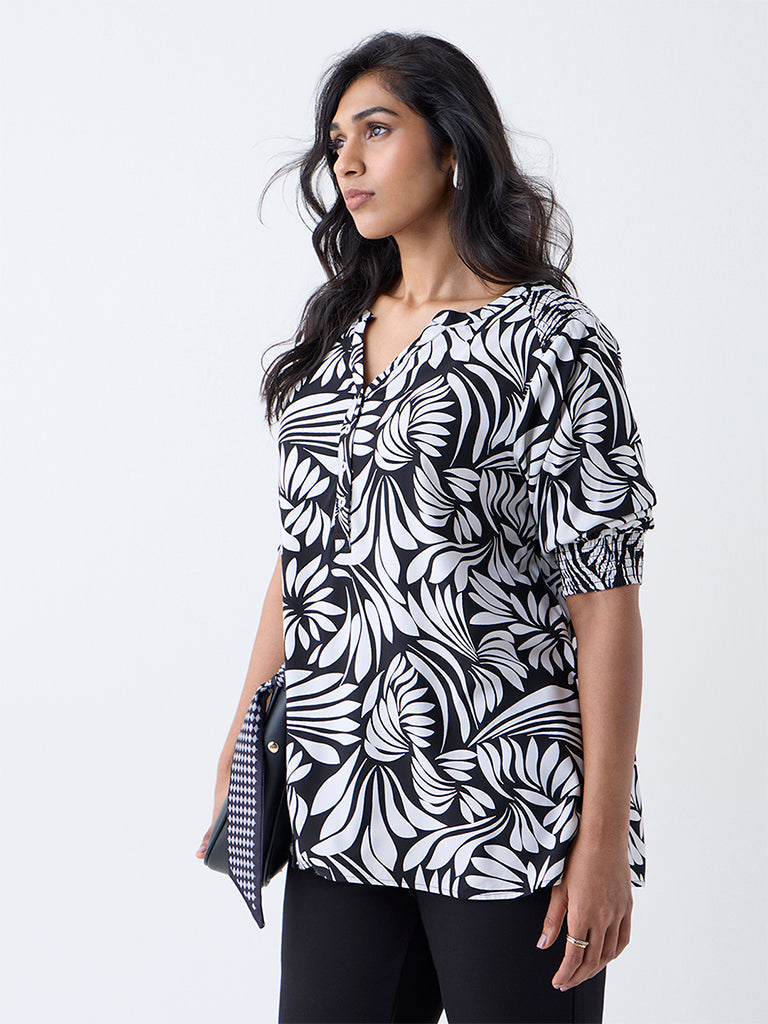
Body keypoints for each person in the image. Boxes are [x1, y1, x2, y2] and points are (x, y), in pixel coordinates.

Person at [197, 30, 658, 1024]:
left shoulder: (551, 343)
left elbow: (605, 602)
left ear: (453, 147)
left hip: (507, 810)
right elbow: (299, 564)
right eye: (336, 142)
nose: (347, 163)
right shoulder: (333, 342)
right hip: (339, 804)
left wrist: (601, 841)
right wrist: (243, 747)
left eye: (376, 130)